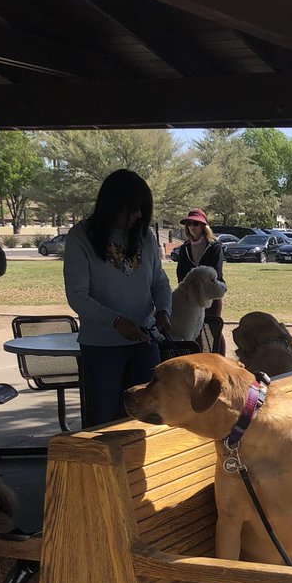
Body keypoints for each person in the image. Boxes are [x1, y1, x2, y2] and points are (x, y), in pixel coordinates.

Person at [63, 169, 171, 428]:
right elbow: (77, 295)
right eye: (133, 209)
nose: (139, 216)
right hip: (101, 348)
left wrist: (163, 311)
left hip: (145, 343)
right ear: (112, 204)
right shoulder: (81, 236)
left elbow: (159, 281)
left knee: (151, 415)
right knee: (105, 418)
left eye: (142, 209)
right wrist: (116, 321)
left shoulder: (145, 237)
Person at [175, 208, 226, 353]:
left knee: (213, 330)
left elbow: (216, 272)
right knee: (194, 332)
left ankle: (219, 359)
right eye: (189, 223)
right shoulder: (184, 248)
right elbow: (180, 274)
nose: (192, 227)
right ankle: (199, 358)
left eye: (196, 223)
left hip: (210, 297)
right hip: (191, 298)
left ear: (204, 226)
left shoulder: (214, 246)